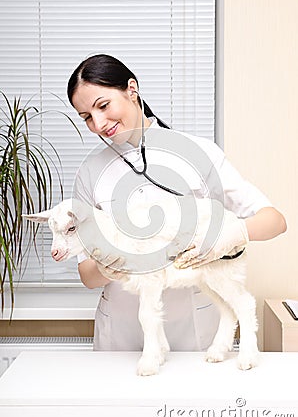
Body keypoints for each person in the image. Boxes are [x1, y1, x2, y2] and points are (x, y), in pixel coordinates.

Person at [67, 54, 287, 352]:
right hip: (122, 331)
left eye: (103, 106)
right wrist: (111, 263)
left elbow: (274, 220)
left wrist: (232, 235)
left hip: (193, 329)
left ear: (132, 89)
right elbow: (87, 276)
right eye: (87, 118)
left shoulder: (198, 152)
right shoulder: (91, 172)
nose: (99, 123)